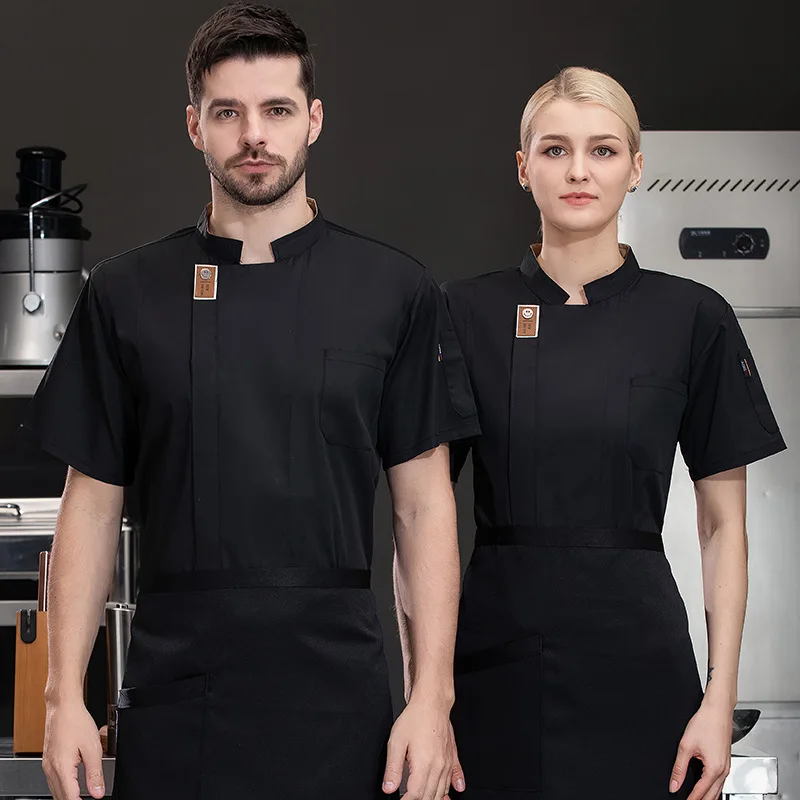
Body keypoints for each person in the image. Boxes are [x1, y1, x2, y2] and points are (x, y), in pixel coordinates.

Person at [23, 5, 480, 799]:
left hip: (341, 695)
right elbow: (90, 508)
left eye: (276, 110)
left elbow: (423, 511)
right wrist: (65, 697)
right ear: (195, 124)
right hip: (178, 692)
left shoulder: (393, 291)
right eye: (228, 112)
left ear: (315, 119)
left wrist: (430, 699)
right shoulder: (129, 294)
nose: (254, 136)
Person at [436, 67, 786, 800]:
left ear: (635, 168)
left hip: (642, 665)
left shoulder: (693, 317)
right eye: (556, 150)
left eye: (602, 150)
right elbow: (424, 516)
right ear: (523, 166)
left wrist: (718, 702)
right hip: (493, 668)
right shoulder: (464, 314)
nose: (578, 171)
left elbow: (724, 527)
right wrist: (428, 695)